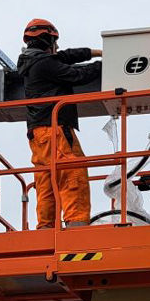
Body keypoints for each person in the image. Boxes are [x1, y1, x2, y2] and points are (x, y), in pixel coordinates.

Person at [18, 19, 101, 229]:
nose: (57, 47)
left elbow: (66, 56)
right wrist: (106, 63)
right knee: (73, 174)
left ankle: (46, 230)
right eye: (55, 42)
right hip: (56, 131)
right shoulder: (45, 64)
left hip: (38, 135)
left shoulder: (32, 63)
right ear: (49, 40)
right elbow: (77, 75)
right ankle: (76, 228)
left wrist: (96, 52)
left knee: (46, 181)